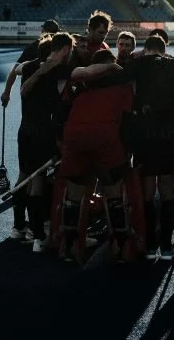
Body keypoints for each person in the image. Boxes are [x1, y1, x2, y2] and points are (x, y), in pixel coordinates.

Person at [115, 35, 174, 260]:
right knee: (167, 188)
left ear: (146, 49)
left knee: (147, 191)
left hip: (144, 133)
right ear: (163, 50)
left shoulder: (137, 64)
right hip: (168, 134)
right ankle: (167, 246)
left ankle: (149, 245)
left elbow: (115, 80)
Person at [59, 49, 136, 263]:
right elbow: (128, 122)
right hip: (105, 137)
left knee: (73, 195)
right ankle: (120, 245)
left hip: (74, 135)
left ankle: (69, 247)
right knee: (113, 194)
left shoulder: (80, 89)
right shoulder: (123, 88)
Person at [12, 33, 74, 251]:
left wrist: (5, 92)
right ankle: (38, 237)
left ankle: (18, 227)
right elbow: (84, 74)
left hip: (24, 130)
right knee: (37, 180)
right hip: (42, 132)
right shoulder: (61, 70)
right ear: (65, 49)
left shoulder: (28, 66)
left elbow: (15, 70)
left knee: (22, 176)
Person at [0, 19, 60, 109]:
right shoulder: (61, 49)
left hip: (30, 93)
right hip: (52, 93)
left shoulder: (32, 47)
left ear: (42, 31)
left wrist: (7, 93)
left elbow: (15, 71)